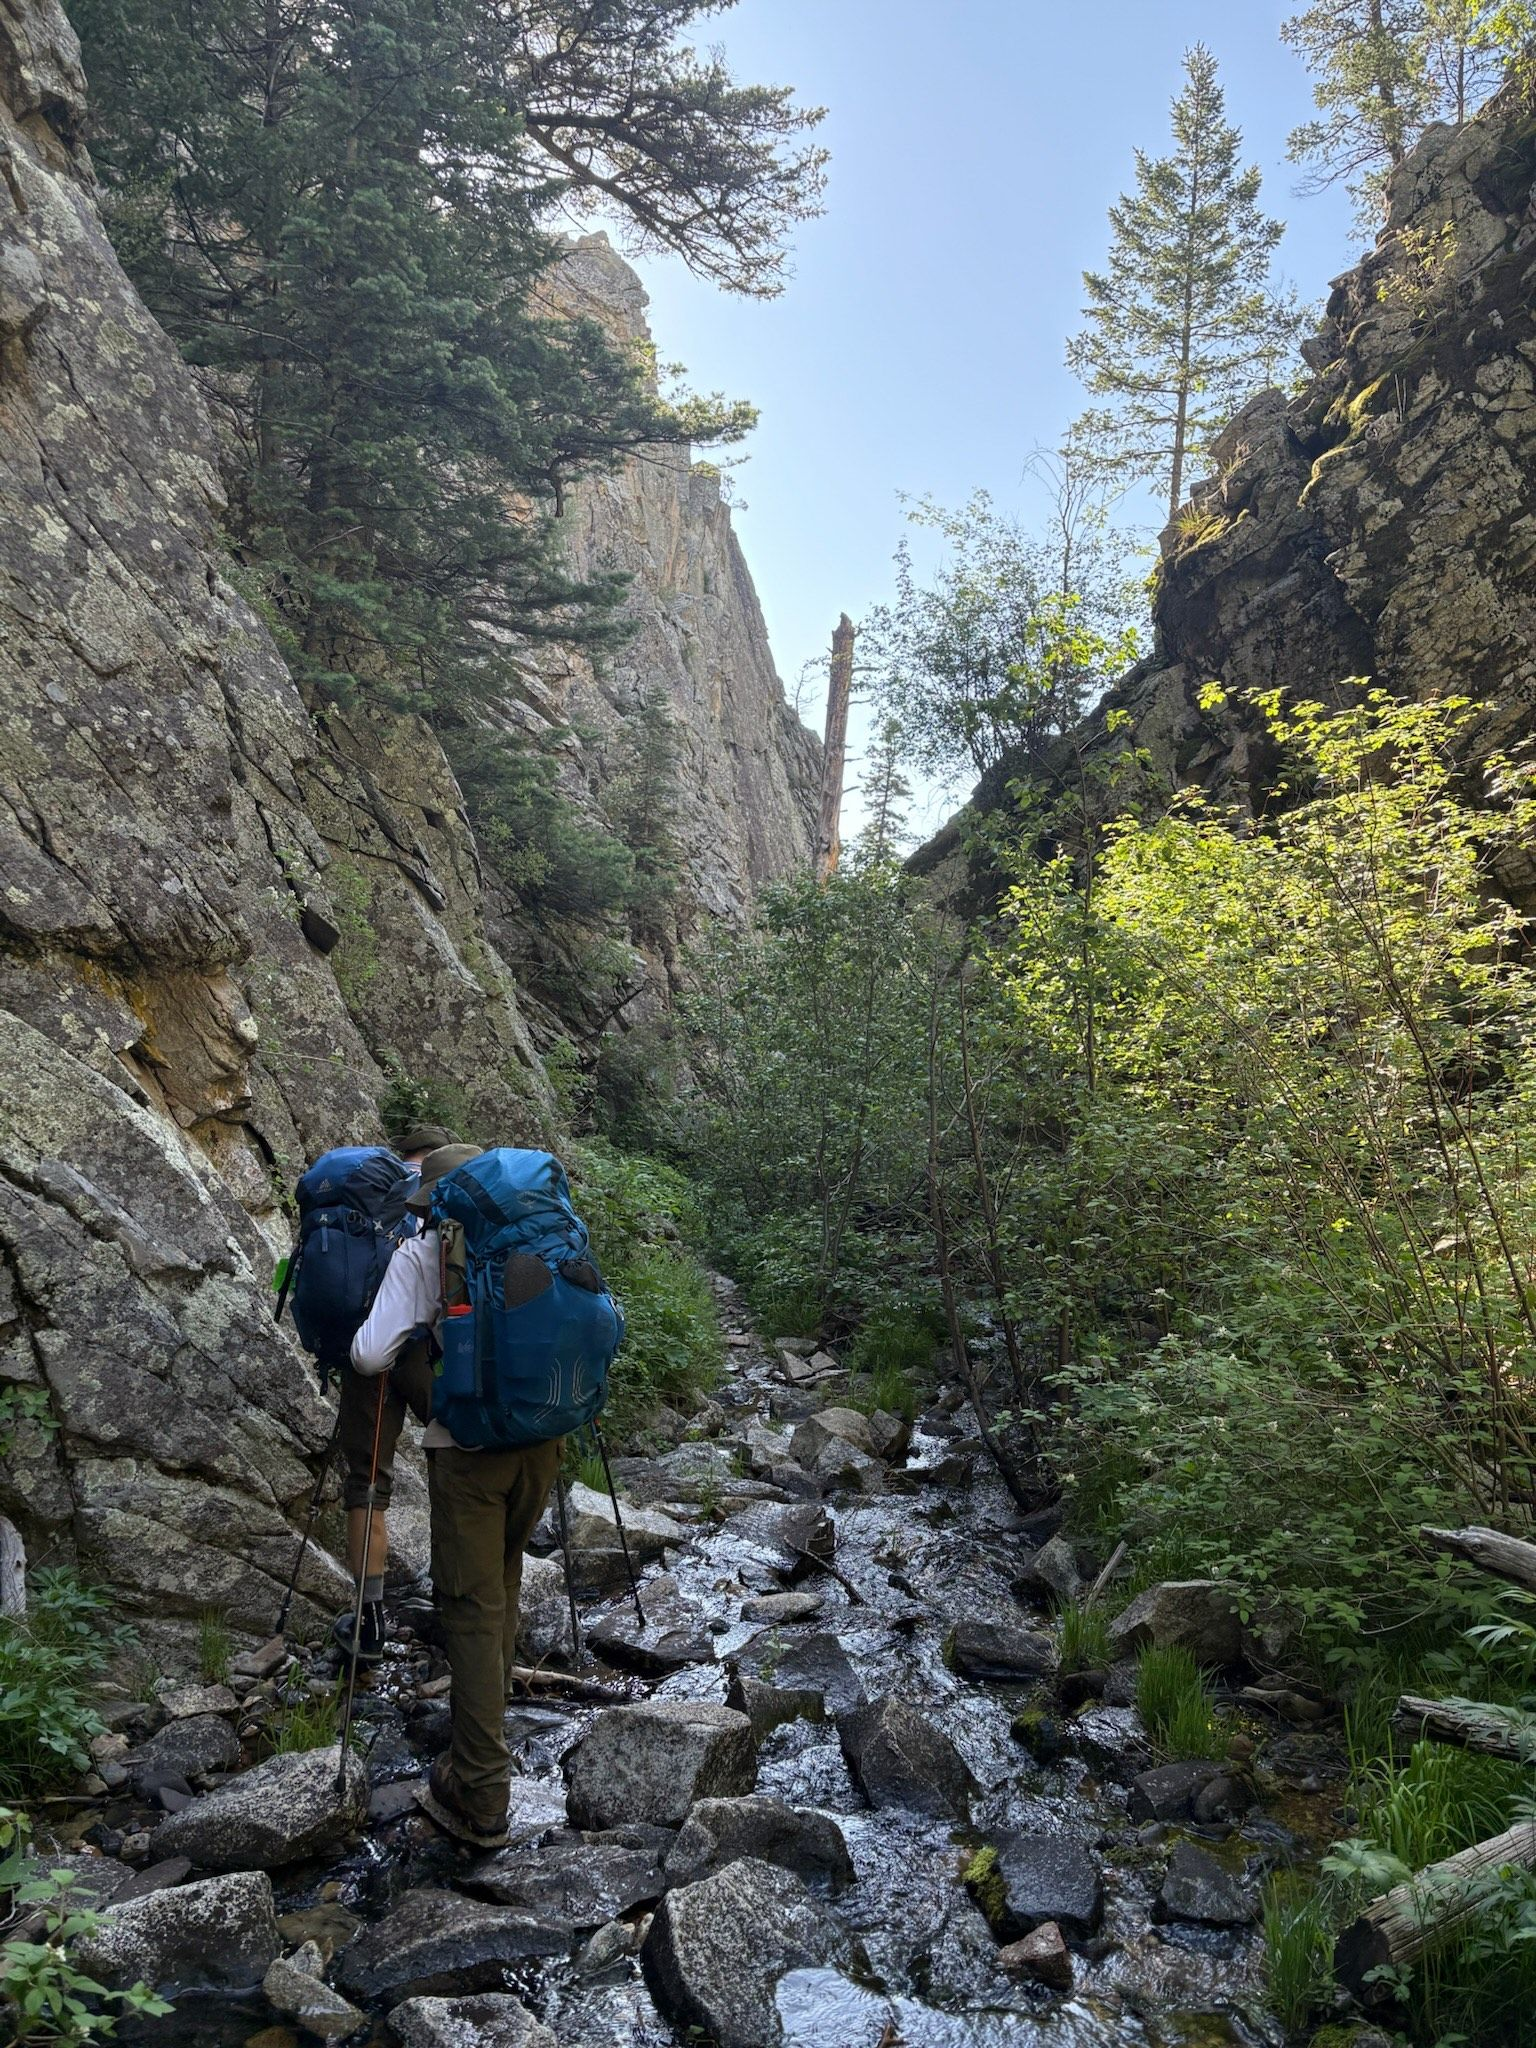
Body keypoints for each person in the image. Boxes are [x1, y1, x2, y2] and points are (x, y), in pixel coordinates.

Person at [350, 1143, 563, 1846]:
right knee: (503, 1576)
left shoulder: (423, 1254)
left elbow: (369, 1356)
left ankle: (479, 1788)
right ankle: (490, 1723)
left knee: (469, 1609)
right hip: (542, 1439)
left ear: (436, 1202)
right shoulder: (540, 1235)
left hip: (468, 1453)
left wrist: (415, 1339)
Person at [330, 1122, 455, 1664]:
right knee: (454, 1461)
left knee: (367, 1482)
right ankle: (455, 1601)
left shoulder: (368, 1195)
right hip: (431, 1355)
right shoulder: (447, 1200)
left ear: (402, 1155)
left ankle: (370, 1620)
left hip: (370, 1351)